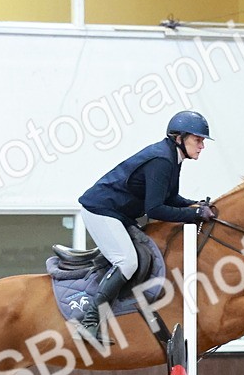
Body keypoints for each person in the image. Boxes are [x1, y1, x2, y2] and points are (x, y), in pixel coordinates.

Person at [76, 110, 218, 339]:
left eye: (202, 141)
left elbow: (169, 198)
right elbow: (154, 210)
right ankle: (89, 320)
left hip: (118, 214)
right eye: (198, 140)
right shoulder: (163, 159)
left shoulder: (173, 157)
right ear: (179, 138)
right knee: (128, 262)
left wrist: (194, 205)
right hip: (100, 210)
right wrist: (194, 216)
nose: (202, 146)